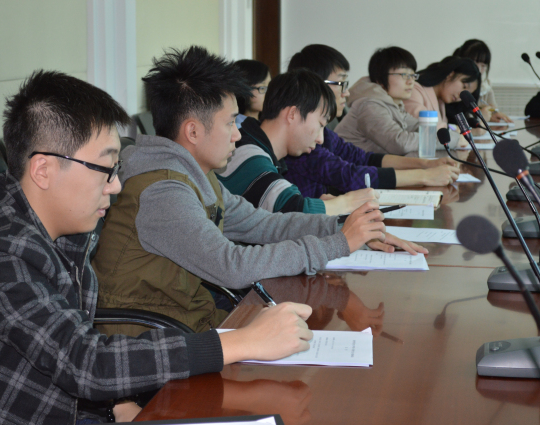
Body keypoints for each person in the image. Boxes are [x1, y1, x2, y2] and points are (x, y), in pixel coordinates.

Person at [0, 70, 317, 425]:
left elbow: (64, 339)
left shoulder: (60, 229)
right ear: (43, 170)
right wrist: (240, 342)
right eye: (105, 168)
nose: (116, 186)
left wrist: (116, 405)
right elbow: (83, 361)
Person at [93, 46, 426, 336]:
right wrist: (339, 243)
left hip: (190, 323)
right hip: (155, 343)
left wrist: (348, 228)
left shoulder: (196, 174)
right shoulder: (163, 191)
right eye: (230, 123)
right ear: (193, 131)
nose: (238, 135)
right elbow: (232, 265)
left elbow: (262, 224)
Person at [283, 44, 461, 198]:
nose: (346, 92)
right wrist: (425, 175)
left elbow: (364, 158)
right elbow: (351, 175)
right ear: (314, 85)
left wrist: (427, 164)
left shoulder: (326, 135)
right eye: (341, 84)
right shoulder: (301, 140)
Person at [218, 68, 379, 216]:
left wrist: (323, 204)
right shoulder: (248, 152)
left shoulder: (262, 149)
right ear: (293, 114)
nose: (320, 139)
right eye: (320, 124)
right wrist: (346, 202)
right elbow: (292, 209)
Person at [336, 46, 464, 155]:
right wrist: (450, 140)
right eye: (404, 75)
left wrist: (447, 135)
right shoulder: (369, 105)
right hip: (350, 172)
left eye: (413, 76)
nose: (411, 82)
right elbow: (400, 143)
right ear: (381, 78)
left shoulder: (394, 104)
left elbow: (419, 127)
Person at [403, 56, 481, 139]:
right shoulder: (415, 90)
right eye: (464, 86)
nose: (461, 96)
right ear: (450, 74)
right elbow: (427, 126)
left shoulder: (441, 101)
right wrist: (460, 130)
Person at [453, 39, 512, 123]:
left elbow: (493, 109)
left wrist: (493, 114)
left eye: (483, 65)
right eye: (475, 63)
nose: (479, 70)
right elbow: (456, 120)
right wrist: (480, 116)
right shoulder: (455, 87)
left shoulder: (485, 87)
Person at [234, 59, 271, 128]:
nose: (268, 93)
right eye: (262, 88)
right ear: (243, 88)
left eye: (269, 87)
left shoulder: (265, 123)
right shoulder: (237, 127)